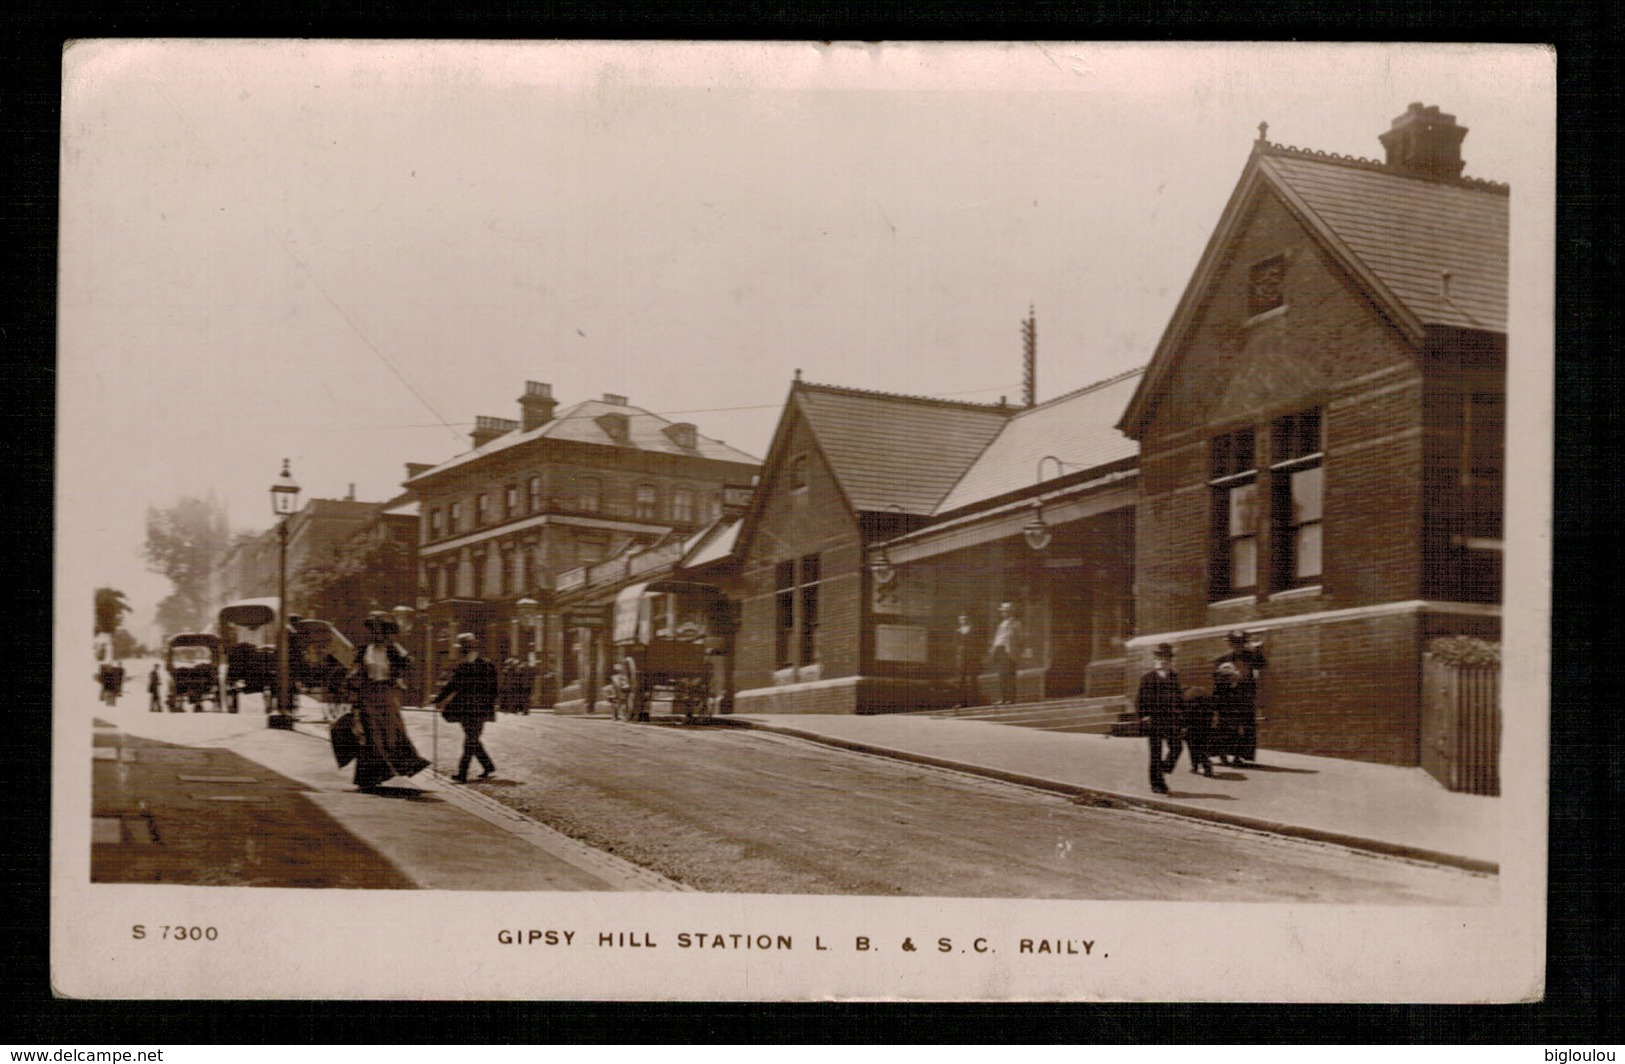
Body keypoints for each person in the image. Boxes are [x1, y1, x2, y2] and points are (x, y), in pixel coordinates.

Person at [348, 613, 430, 791]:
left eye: (377, 631)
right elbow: (355, 671)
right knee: (371, 734)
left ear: (384, 633)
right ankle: (369, 777)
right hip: (368, 694)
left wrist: (400, 654)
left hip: (387, 693)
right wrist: (353, 686)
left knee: (393, 731)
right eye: (371, 631)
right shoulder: (363, 650)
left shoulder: (392, 650)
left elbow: (408, 664)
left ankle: (404, 765)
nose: (374, 634)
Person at [433, 632, 499, 783]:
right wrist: (438, 699)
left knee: (470, 740)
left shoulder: (486, 665)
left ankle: (462, 773)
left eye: (465, 647)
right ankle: (488, 766)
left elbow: (493, 689)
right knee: (473, 739)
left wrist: (488, 705)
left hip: (479, 709)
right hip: (464, 709)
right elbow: (453, 685)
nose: (464, 650)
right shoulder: (462, 666)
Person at [1213, 629, 1268, 765]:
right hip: (1228, 698)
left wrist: (1258, 649)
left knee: (1245, 725)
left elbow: (1262, 665)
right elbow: (1216, 679)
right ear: (1230, 644)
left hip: (1245, 696)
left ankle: (1239, 756)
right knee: (1226, 725)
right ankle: (1223, 754)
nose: (1237, 646)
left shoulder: (1252, 656)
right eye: (1234, 643)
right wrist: (1228, 678)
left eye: (1240, 643)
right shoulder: (1222, 659)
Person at [1135, 643, 1184, 795]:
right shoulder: (1148, 678)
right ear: (1156, 658)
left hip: (1171, 719)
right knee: (1155, 752)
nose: (1163, 660)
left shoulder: (1174, 677)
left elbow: (1179, 698)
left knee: (1177, 747)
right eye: (1160, 656)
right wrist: (1144, 716)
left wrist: (1182, 715)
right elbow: (1140, 700)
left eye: (1166, 657)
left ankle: (1164, 767)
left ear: (1170, 659)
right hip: (1154, 720)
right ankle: (1157, 784)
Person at [987, 602, 1025, 705]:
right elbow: (997, 639)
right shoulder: (1002, 624)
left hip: (1009, 651)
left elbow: (1020, 639)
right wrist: (992, 651)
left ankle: (1011, 698)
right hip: (1000, 650)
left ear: (1010, 612)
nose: (1003, 613)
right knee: (1001, 675)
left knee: (1010, 675)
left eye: (1005, 611)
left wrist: (1017, 651)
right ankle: (1003, 698)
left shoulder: (1016, 623)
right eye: (1002, 611)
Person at [1182, 684, 1215, 778]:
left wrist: (1184, 726)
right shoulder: (1205, 696)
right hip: (1205, 725)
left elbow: (1185, 714)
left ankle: (1195, 766)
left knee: (1192, 746)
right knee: (1203, 747)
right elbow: (1211, 713)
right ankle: (1207, 768)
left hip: (1192, 726)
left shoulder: (1186, 698)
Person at [953, 613, 980, 707]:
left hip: (971, 656)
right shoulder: (958, 631)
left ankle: (974, 701)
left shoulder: (972, 630)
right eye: (961, 619)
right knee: (961, 679)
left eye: (965, 619)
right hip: (961, 656)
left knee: (972, 679)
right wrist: (958, 655)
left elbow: (977, 643)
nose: (963, 621)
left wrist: (976, 656)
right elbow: (956, 645)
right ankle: (961, 702)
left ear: (968, 619)